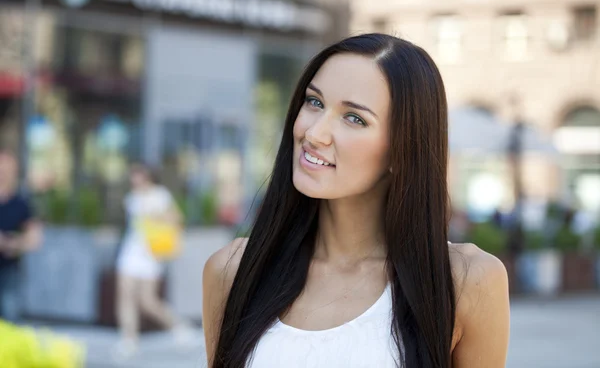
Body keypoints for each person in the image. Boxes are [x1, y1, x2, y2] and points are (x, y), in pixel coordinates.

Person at [202, 34, 510, 368]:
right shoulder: (232, 271)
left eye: (354, 118)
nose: (314, 133)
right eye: (314, 102)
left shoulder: (464, 281)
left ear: (401, 148)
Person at [114, 163, 192, 359]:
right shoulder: (131, 198)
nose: (135, 180)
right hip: (131, 252)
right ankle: (128, 339)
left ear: (147, 176)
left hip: (151, 254)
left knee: (147, 300)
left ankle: (177, 325)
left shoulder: (160, 195)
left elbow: (176, 218)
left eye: (138, 175)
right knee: (125, 295)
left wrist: (156, 216)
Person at [0, 147, 42, 322]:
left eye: (8, 170)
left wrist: (12, 243)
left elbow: (35, 239)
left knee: (10, 321)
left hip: (9, 272)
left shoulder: (21, 204)